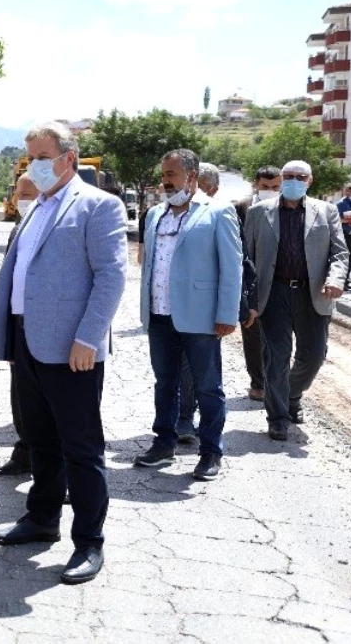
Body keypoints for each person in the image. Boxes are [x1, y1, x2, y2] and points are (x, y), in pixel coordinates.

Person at [0, 122, 127, 585]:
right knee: (41, 441)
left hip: (72, 349)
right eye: (30, 159)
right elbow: (17, 270)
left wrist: (89, 338)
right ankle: (41, 518)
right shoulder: (36, 208)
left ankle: (89, 542)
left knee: (81, 449)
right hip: (29, 341)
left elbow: (110, 277)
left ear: (70, 157)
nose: (35, 167)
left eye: (42, 157)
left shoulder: (98, 206)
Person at [135, 151, 241, 480]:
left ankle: (210, 452)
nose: (165, 180)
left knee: (208, 387)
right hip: (160, 315)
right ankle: (163, 443)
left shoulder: (217, 212)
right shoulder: (154, 214)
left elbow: (232, 266)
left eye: (172, 174)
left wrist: (227, 313)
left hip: (201, 317)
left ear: (192, 176)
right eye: (163, 173)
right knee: (165, 383)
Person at [244, 160, 350, 440]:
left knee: (314, 355)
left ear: (309, 181)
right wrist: (247, 299)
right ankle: (278, 417)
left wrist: (336, 279)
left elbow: (339, 253)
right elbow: (247, 259)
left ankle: (291, 394)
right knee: (276, 357)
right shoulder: (258, 213)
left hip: (312, 293)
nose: (293, 180)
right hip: (273, 293)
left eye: (299, 177)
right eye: (288, 176)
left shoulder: (326, 211)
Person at [0, 174, 41, 477]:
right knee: (20, 393)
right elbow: (5, 280)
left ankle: (60, 470)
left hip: (47, 327)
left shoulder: (52, 227)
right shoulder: (17, 229)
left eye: (26, 194)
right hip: (17, 324)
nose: (20, 201)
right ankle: (25, 453)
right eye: (18, 195)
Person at [174, 162, 221, 444]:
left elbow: (239, 265)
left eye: (198, 185)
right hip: (171, 308)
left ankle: (210, 440)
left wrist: (235, 309)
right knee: (180, 368)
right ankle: (182, 419)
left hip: (206, 309)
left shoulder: (220, 214)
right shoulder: (165, 214)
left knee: (204, 374)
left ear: (213, 189)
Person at [235, 166, 282, 401]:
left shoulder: (288, 206)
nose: (271, 191)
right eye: (265, 187)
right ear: (256, 185)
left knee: (278, 335)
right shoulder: (241, 208)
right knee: (252, 333)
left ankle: (278, 382)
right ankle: (258, 381)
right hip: (249, 281)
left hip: (278, 281)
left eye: (276, 187)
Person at [338, 183, 351, 291]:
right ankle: (341, 281)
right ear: (348, 191)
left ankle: (346, 279)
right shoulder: (341, 204)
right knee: (346, 257)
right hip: (346, 233)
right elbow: (337, 219)